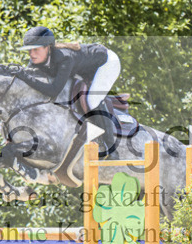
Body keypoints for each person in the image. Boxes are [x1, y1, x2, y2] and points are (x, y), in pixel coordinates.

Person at [15, 25, 121, 157]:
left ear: (47, 48)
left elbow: (53, 91)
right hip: (84, 68)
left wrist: (25, 76)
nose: (32, 55)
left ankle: (110, 147)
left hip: (106, 64)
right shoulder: (37, 59)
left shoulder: (65, 58)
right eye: (29, 51)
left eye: (36, 50)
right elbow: (30, 84)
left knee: (92, 100)